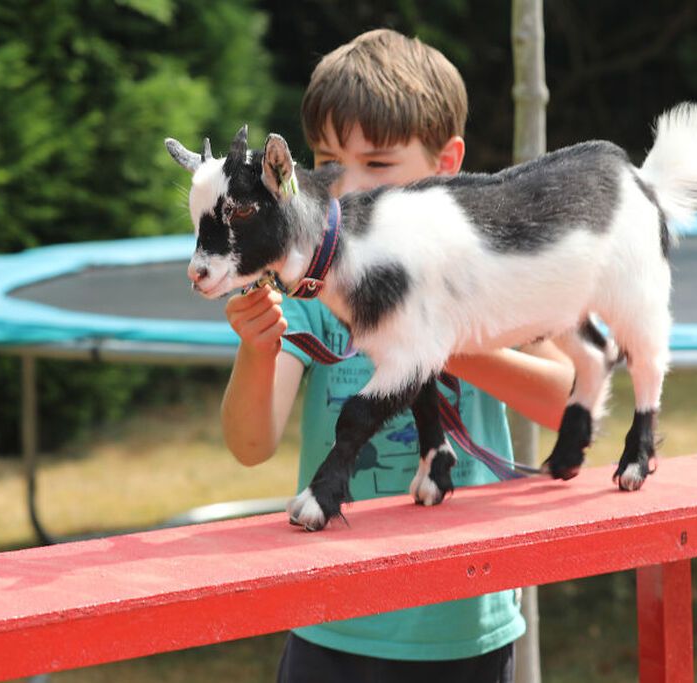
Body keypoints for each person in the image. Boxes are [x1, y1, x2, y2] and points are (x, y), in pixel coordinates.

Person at [220, 29, 576, 683]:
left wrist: (444, 341)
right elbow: (250, 443)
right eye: (327, 159)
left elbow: (564, 398)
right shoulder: (305, 288)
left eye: (378, 165)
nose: (346, 186)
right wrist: (256, 349)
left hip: (464, 625)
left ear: (447, 164)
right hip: (329, 618)